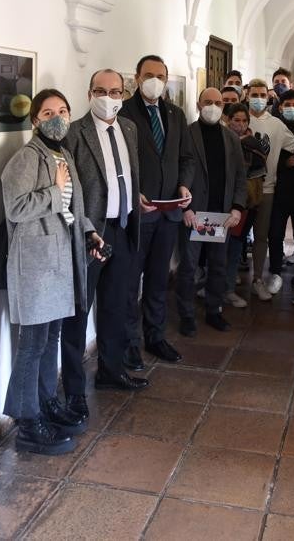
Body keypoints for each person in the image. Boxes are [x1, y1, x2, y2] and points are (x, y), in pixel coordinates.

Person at [0, 88, 105, 454]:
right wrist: (51, 190)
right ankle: (27, 422)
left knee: (50, 341)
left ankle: (45, 403)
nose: (57, 118)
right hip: (37, 267)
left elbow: (73, 205)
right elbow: (16, 208)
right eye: (47, 113)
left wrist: (90, 232)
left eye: (62, 111)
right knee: (31, 346)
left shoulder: (62, 154)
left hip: (61, 264)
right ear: (35, 121)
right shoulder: (26, 159)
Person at [63, 69, 148, 395]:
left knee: (115, 306)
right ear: (89, 94)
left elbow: (124, 174)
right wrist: (84, 233)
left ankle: (111, 371)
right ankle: (73, 390)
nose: (108, 98)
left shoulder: (129, 127)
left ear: (124, 95)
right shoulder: (74, 133)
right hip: (91, 236)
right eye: (101, 91)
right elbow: (69, 191)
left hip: (123, 228)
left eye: (115, 92)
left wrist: (133, 199)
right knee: (78, 313)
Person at [118, 54, 195, 365]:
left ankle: (156, 337)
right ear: (136, 77)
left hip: (169, 212)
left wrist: (184, 186)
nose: (155, 81)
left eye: (161, 76)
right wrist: (131, 192)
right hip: (139, 213)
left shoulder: (175, 114)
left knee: (158, 279)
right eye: (149, 74)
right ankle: (130, 343)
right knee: (129, 281)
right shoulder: (123, 113)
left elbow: (186, 157)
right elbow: (117, 162)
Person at [175, 88, 247, 335]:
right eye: (208, 102)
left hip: (220, 214)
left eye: (218, 103)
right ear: (198, 104)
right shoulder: (186, 134)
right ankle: (186, 315)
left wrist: (237, 207)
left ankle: (214, 310)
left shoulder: (231, 139)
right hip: (194, 213)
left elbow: (240, 176)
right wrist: (185, 208)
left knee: (218, 264)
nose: (213, 107)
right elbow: (178, 172)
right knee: (188, 266)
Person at [244, 78, 294, 300]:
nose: (258, 99)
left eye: (262, 95)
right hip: (242, 189)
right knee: (235, 237)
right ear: (247, 96)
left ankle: (257, 278)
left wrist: (288, 161)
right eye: (254, 95)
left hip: (267, 188)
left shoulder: (276, 124)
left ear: (268, 98)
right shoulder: (239, 119)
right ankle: (226, 282)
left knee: (261, 236)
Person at [223, 102, 268, 308]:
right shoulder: (221, 139)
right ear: (227, 120)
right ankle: (216, 286)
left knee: (234, 246)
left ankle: (229, 289)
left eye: (243, 121)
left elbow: (257, 175)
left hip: (244, 205)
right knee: (216, 247)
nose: (239, 125)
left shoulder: (253, 144)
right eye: (235, 120)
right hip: (219, 203)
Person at [272, 89, 294, 297]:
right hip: (279, 189)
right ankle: (275, 272)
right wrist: (285, 163)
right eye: (287, 105)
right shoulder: (275, 128)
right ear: (280, 107)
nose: (291, 108)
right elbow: (268, 156)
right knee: (275, 234)